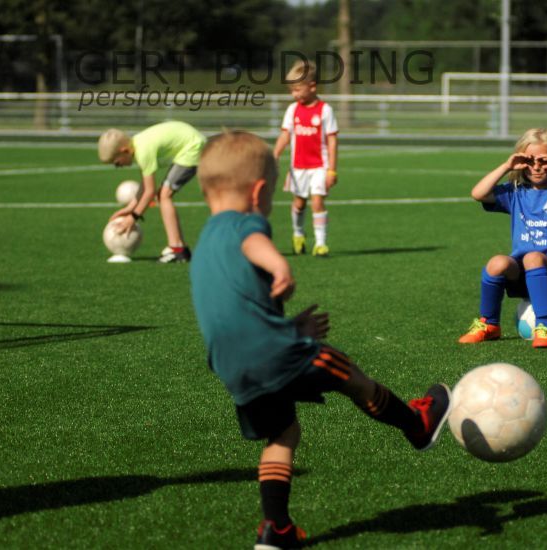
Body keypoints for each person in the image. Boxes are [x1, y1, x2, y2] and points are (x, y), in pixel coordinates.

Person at [190, 130, 450, 549]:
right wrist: (280, 266)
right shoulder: (244, 224)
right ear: (259, 192)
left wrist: (290, 328)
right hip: (276, 355)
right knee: (352, 377)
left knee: (283, 434)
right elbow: (251, 239)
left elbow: (237, 317)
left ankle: (276, 530)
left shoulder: (203, 243)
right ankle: (416, 424)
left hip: (234, 368)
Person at [458, 128, 547, 349]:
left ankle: (544, 326)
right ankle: (490, 324)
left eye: (544, 161)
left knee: (534, 257)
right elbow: (478, 193)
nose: (536, 167)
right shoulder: (516, 193)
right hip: (525, 275)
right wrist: (507, 166)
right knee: (497, 262)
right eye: (529, 160)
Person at [98, 120, 206, 262]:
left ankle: (176, 249)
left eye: (117, 163)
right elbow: (145, 186)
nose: (119, 167)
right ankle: (181, 248)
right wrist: (130, 208)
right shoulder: (138, 144)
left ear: (124, 151)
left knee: (164, 195)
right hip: (192, 143)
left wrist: (133, 218)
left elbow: (149, 192)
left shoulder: (143, 151)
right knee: (163, 195)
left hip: (193, 147)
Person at [273, 60, 339, 256]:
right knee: (299, 203)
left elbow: (332, 141)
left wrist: (332, 170)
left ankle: (320, 243)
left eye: (297, 89)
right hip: (298, 167)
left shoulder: (325, 110)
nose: (294, 94)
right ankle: (298, 234)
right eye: (291, 90)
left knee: (317, 201)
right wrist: (274, 154)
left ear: (312, 86)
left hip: (320, 166)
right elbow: (285, 135)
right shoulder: (292, 110)